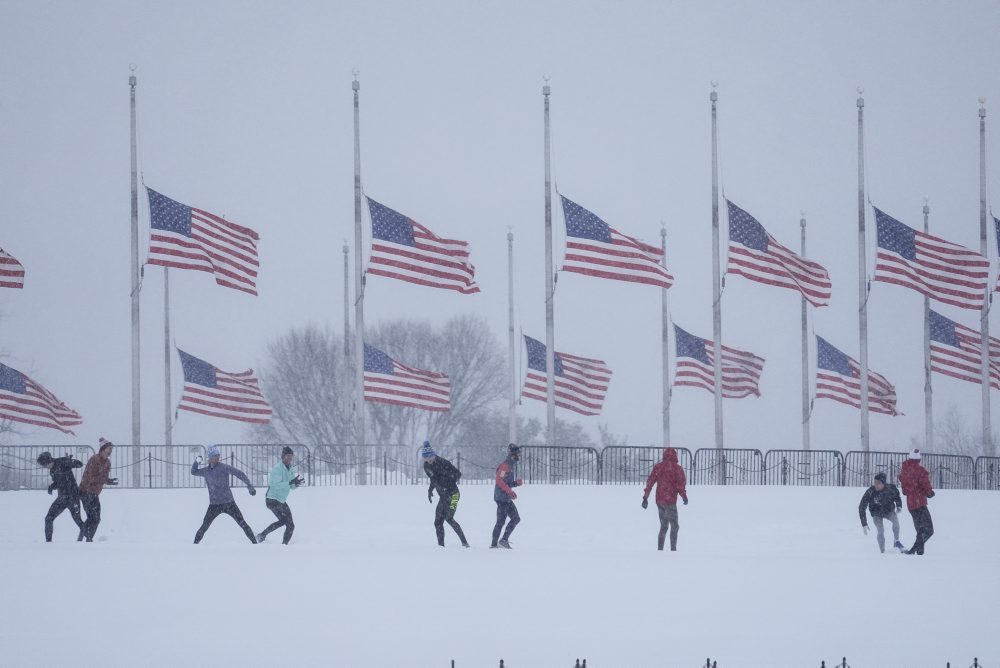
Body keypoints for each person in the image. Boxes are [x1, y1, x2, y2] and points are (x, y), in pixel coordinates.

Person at [191, 445, 258, 544]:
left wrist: (249, 485)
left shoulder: (223, 467)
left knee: (243, 523)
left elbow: (239, 473)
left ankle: (255, 544)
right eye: (214, 456)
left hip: (229, 503)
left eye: (218, 455)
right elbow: (194, 472)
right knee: (204, 526)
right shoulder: (206, 471)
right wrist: (196, 462)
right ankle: (194, 546)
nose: (217, 457)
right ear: (209, 457)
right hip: (214, 505)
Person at [421, 441, 469, 548]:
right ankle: (441, 547)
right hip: (443, 496)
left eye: (430, 456)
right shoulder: (427, 466)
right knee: (438, 522)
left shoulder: (443, 463)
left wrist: (447, 482)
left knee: (449, 518)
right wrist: (430, 490)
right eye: (426, 457)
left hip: (454, 495)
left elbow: (458, 474)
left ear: (433, 454)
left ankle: (465, 543)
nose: (429, 459)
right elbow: (433, 479)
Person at [641, 447, 689, 551]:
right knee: (675, 526)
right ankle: (673, 549)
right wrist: (684, 497)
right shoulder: (677, 469)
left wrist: (645, 498)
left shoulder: (658, 467)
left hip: (660, 501)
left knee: (664, 526)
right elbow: (680, 486)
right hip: (670, 501)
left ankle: (660, 550)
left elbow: (650, 482)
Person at [256, 446, 304, 545]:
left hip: (280, 500)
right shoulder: (277, 469)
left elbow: (291, 487)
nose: (290, 458)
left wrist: (296, 484)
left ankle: (264, 536)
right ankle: (281, 545)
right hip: (272, 500)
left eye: (291, 456)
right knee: (288, 523)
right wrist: (290, 482)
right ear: (283, 456)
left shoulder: (290, 469)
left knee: (288, 524)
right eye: (287, 456)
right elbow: (276, 485)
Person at [37, 451, 85, 542]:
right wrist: (51, 487)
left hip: (73, 497)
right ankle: (48, 543)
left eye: (45, 464)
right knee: (48, 518)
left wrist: (71, 461)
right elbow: (59, 482)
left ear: (48, 461)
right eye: (43, 465)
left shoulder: (63, 461)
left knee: (78, 520)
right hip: (62, 499)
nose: (45, 467)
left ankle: (84, 540)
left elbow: (80, 464)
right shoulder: (52, 471)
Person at [78, 438, 118, 542]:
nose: (111, 451)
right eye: (109, 448)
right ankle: (86, 539)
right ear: (103, 449)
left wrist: (110, 481)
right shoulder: (94, 459)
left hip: (94, 493)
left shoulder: (107, 463)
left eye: (111, 449)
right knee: (92, 517)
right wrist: (104, 480)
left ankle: (86, 538)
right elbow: (90, 478)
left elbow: (103, 478)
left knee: (96, 518)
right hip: (85, 491)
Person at [898, 449, 935, 555]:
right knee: (929, 530)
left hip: (910, 504)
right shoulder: (920, 471)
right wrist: (929, 492)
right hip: (920, 503)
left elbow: (905, 491)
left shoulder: (904, 471)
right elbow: (926, 485)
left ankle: (917, 552)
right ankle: (915, 550)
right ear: (919, 459)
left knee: (920, 530)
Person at [857, 471, 904, 553]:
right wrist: (864, 523)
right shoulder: (870, 491)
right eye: (874, 482)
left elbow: (897, 497)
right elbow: (862, 507)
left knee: (896, 523)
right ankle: (882, 552)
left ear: (883, 483)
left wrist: (899, 506)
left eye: (878, 483)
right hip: (876, 513)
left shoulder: (891, 489)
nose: (876, 485)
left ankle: (896, 541)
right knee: (880, 530)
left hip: (889, 511)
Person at [491, 443, 523, 549]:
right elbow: (499, 480)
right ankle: (494, 545)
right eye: (517, 454)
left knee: (516, 518)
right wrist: (509, 491)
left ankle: (504, 540)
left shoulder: (511, 465)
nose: (519, 456)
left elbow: (506, 482)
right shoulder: (505, 466)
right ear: (512, 454)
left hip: (506, 498)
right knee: (500, 522)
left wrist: (515, 483)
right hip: (501, 498)